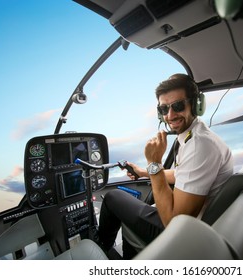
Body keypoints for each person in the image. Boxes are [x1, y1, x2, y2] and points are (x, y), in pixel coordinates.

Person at [97, 73, 233, 259]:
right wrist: (144, 172)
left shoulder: (199, 145)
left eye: (178, 106)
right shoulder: (194, 135)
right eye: (163, 109)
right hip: (196, 225)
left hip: (184, 234)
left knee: (113, 198)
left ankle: (101, 249)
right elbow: (183, 173)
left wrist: (154, 163)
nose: (170, 115)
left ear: (195, 104)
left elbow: (174, 223)